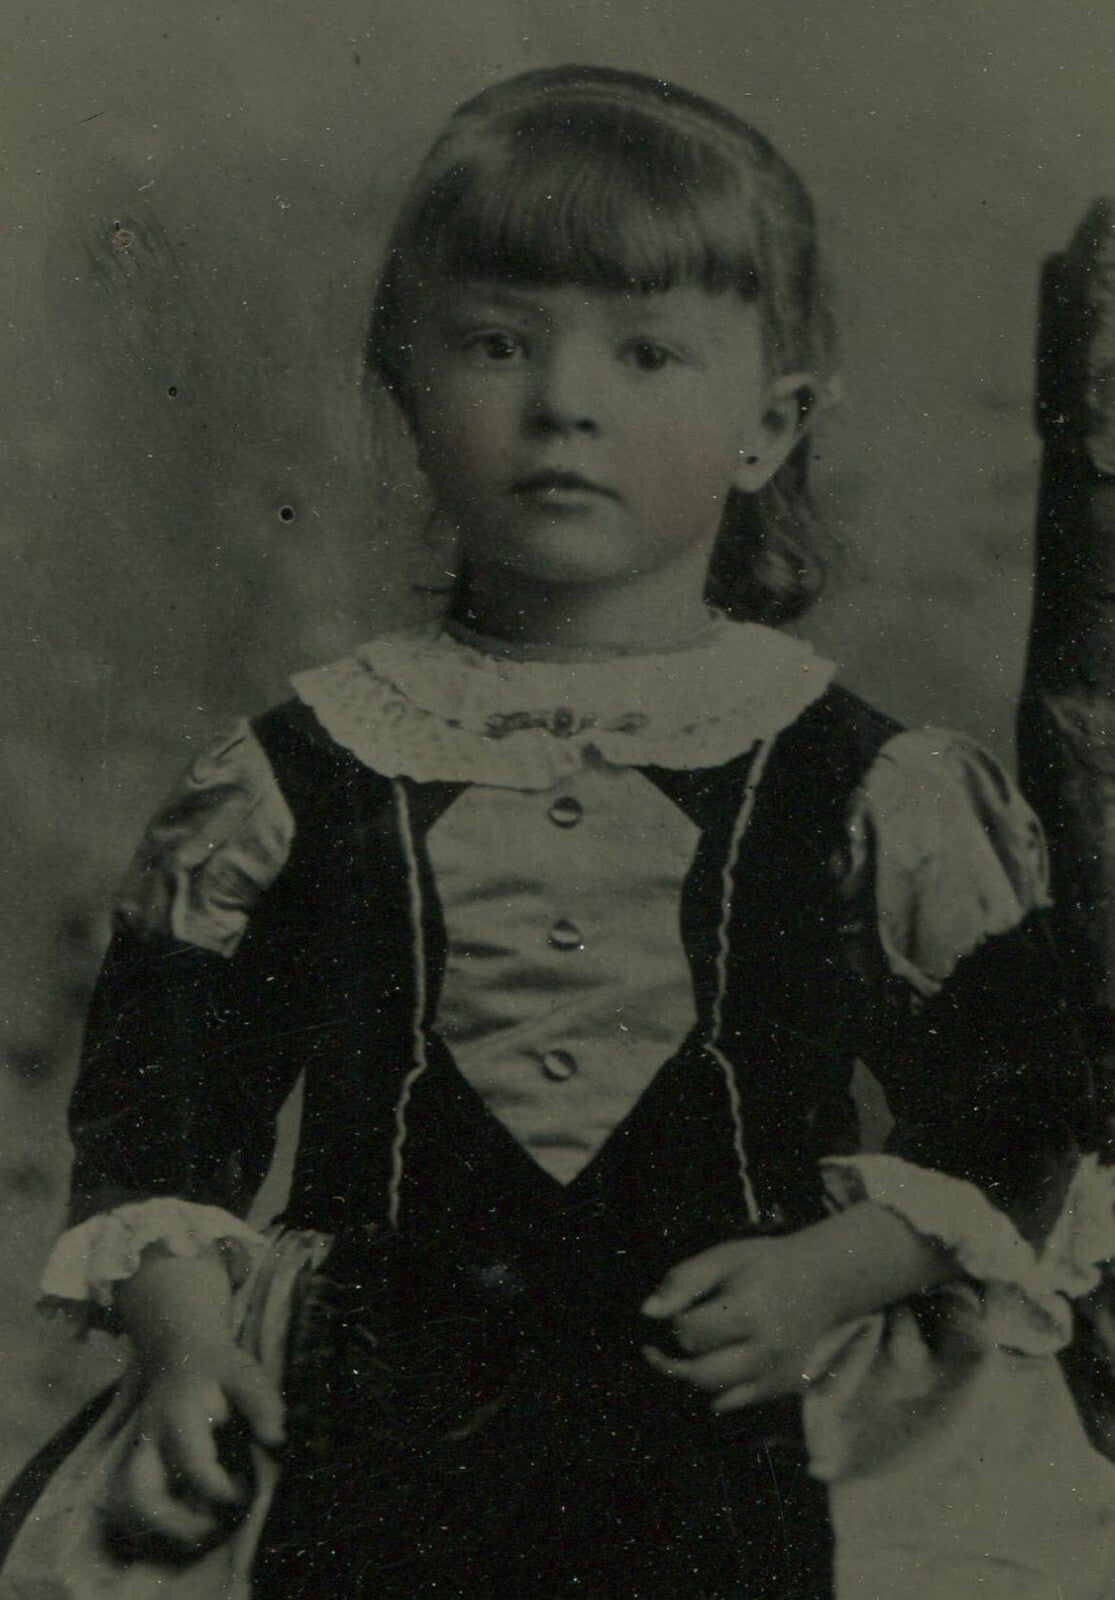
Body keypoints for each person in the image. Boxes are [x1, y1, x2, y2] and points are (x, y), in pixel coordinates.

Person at [5, 63, 1115, 1600]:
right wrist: (187, 1353)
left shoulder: (871, 787)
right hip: (372, 1399)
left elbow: (1022, 1100)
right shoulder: (289, 781)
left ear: (771, 424)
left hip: (763, 1376)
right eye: (497, 342)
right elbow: (162, 1123)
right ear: (404, 389)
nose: (565, 402)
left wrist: (833, 1271)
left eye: (648, 351)